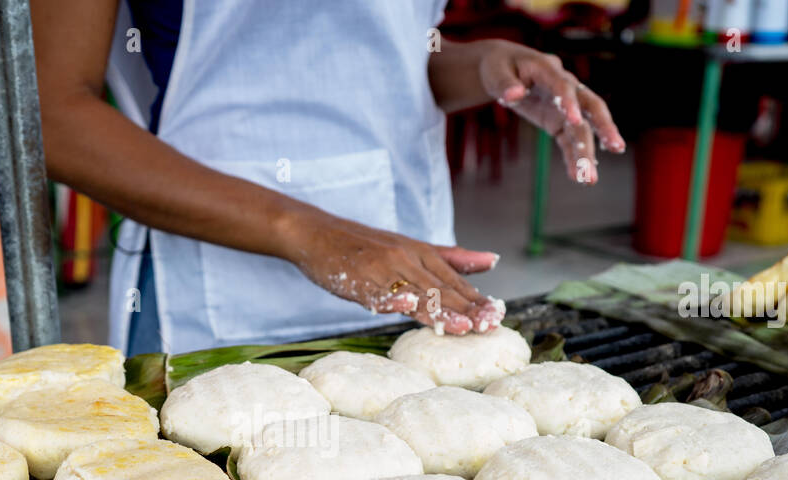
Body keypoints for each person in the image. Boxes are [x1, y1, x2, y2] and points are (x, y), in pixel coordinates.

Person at [32, 0, 624, 356]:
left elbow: (377, 59)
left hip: (410, 262)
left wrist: (485, 64)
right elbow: (53, 116)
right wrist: (312, 232)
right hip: (217, 290)